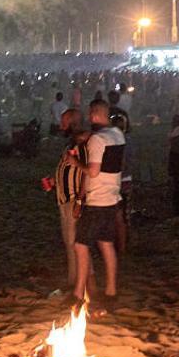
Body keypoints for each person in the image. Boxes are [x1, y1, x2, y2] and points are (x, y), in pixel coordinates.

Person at [72, 100, 125, 310]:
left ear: (93, 115)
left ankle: (78, 292)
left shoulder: (97, 140)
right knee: (106, 243)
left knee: (80, 245)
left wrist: (74, 163)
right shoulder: (117, 135)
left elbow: (92, 171)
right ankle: (111, 290)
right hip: (113, 196)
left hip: (97, 199)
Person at [53, 108, 88, 291]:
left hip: (73, 198)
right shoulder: (71, 143)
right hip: (64, 197)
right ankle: (74, 281)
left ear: (73, 123)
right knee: (70, 242)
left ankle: (77, 284)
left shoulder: (81, 143)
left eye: (64, 123)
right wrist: (55, 180)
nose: (61, 126)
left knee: (75, 243)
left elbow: (86, 173)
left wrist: (80, 201)